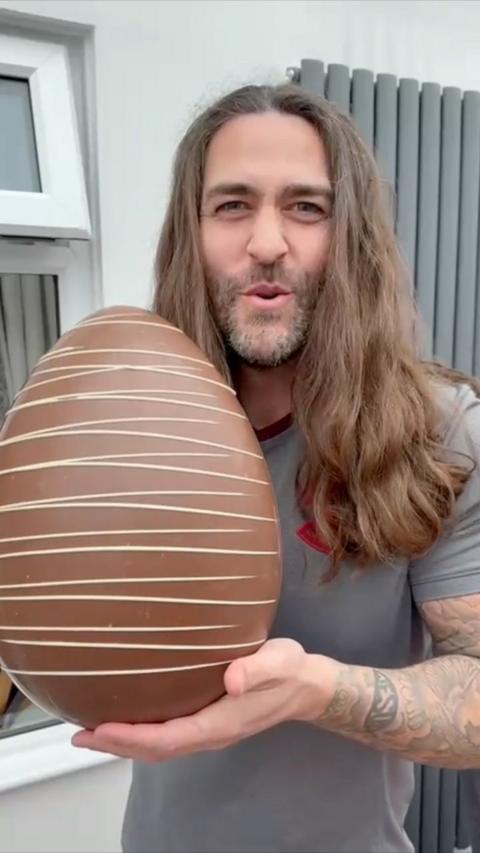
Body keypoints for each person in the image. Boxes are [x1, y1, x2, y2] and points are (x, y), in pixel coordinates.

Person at [72, 83, 480, 853]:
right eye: (232, 205)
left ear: (351, 235)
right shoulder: (130, 423)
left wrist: (317, 690)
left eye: (305, 207)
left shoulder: (438, 430)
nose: (266, 241)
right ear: (191, 234)